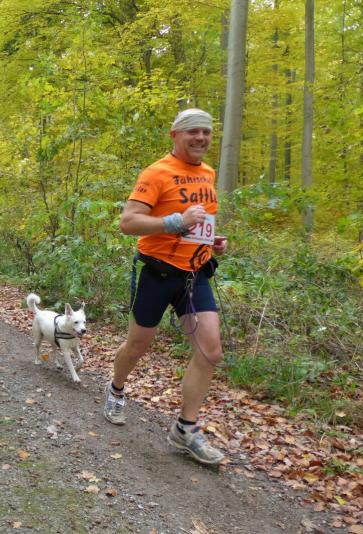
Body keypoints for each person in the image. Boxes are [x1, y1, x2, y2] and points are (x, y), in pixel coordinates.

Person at [103, 108, 228, 465]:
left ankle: (185, 429)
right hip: (156, 273)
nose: (200, 138)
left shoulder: (208, 173)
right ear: (175, 134)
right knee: (138, 345)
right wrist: (176, 222)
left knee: (210, 351)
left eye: (206, 132)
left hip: (194, 274)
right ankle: (116, 388)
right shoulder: (156, 173)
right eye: (193, 131)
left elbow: (195, 223)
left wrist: (211, 240)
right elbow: (128, 222)